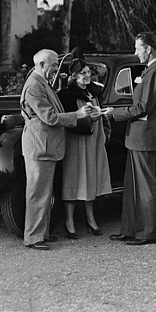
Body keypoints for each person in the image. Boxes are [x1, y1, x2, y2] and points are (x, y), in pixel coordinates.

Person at [20, 49, 93, 250]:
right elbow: (50, 117)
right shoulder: (35, 85)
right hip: (39, 146)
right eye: (53, 66)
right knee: (37, 193)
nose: (56, 71)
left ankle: (41, 233)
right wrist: (76, 115)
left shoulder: (41, 83)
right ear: (41, 65)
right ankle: (34, 237)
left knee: (43, 192)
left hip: (45, 146)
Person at [105, 32, 156, 246]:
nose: (136, 53)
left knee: (144, 186)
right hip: (137, 137)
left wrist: (114, 113)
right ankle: (130, 229)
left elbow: (144, 107)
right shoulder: (152, 70)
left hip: (145, 136)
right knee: (132, 185)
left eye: (138, 48)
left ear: (149, 48)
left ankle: (147, 233)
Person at [57, 58, 112, 239]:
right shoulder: (67, 95)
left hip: (94, 138)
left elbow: (102, 114)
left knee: (91, 175)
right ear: (74, 76)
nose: (87, 76)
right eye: (83, 73)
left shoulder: (94, 92)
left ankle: (91, 218)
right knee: (73, 177)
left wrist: (101, 121)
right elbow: (66, 119)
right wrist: (86, 118)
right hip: (76, 139)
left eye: (89, 73)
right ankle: (69, 221)